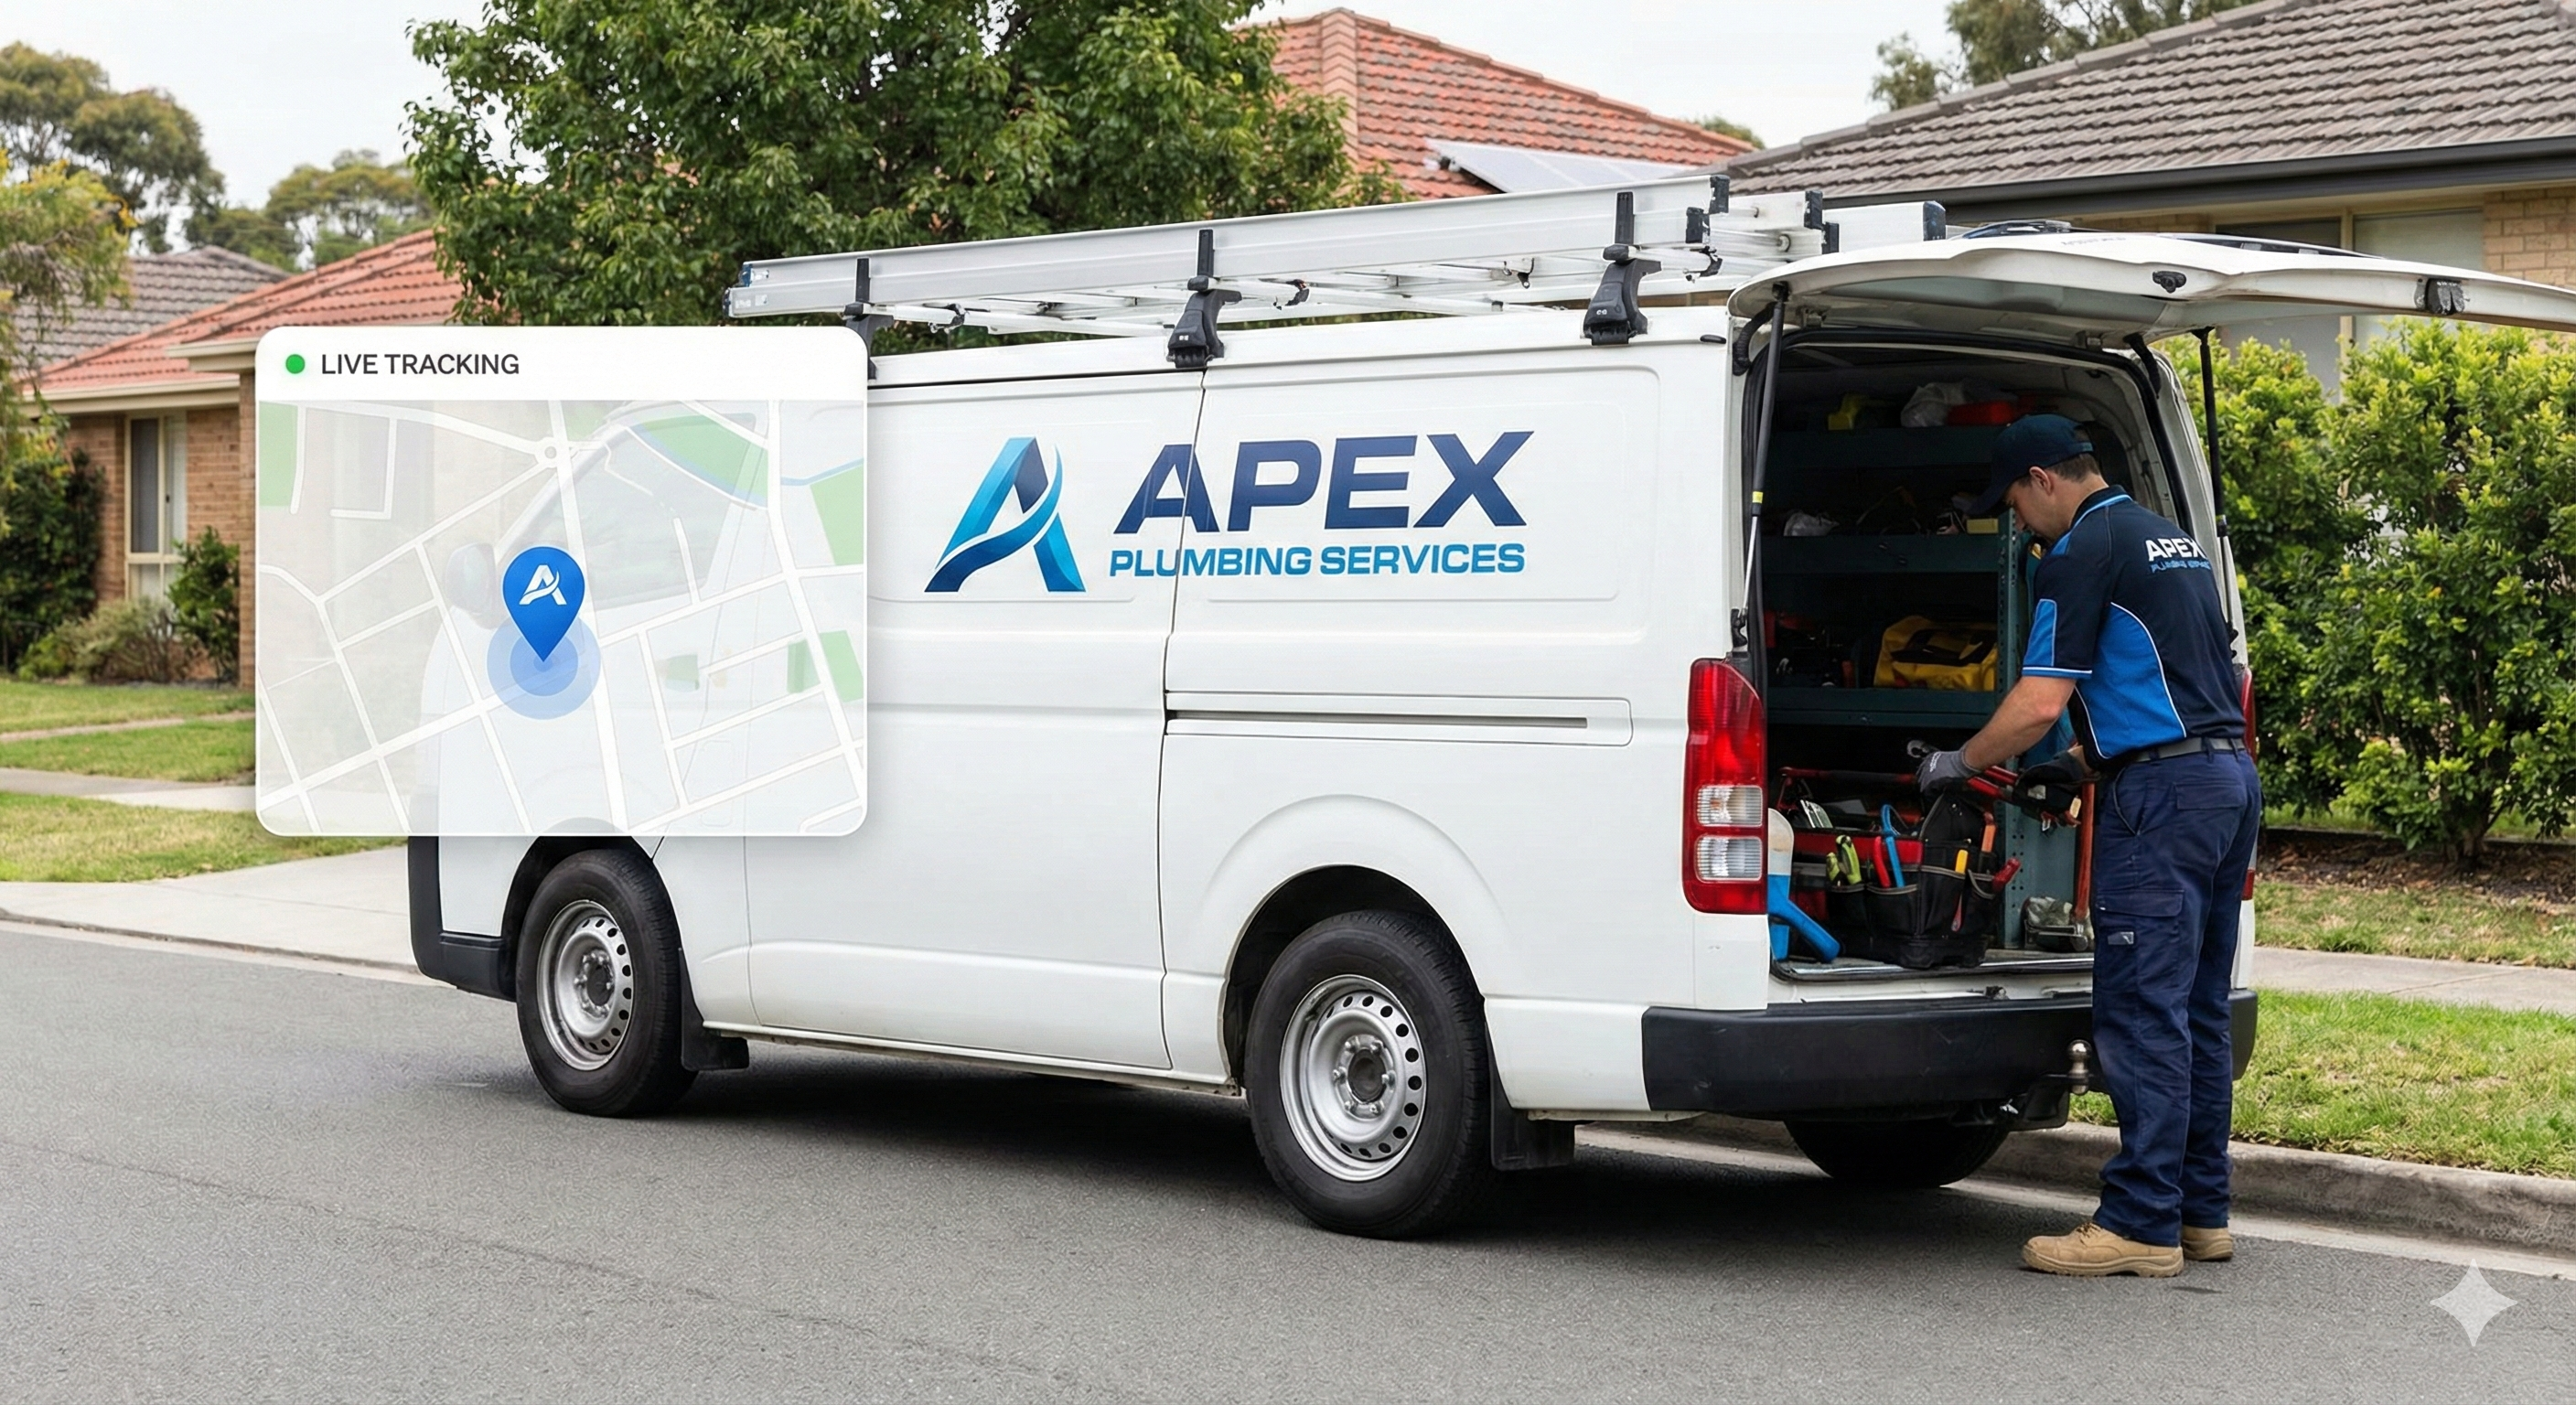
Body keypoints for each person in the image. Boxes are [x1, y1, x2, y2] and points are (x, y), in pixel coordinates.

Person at [1914, 413, 2261, 1279]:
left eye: (2013, 505)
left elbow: (2036, 701)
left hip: (2164, 800)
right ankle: (2197, 1214)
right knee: (2197, 1011)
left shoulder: (2078, 552)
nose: (2018, 524)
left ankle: (2139, 1223)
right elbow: (2181, 680)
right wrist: (2080, 763)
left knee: (2143, 1013)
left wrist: (1958, 764)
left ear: (2042, 480)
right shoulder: (2169, 539)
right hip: (2226, 781)